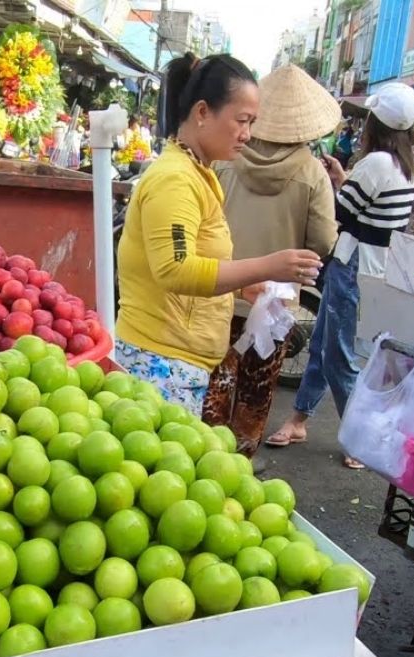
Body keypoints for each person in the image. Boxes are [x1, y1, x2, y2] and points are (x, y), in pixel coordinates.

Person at [115, 53, 324, 415]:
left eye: (252, 123)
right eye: (241, 121)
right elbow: (176, 270)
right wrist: (267, 266)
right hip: (160, 363)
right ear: (201, 112)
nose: (247, 135)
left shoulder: (199, 172)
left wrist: (242, 286)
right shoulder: (175, 180)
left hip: (178, 363)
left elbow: (196, 259)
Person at [266, 82, 414, 467]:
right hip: (373, 265)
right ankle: (299, 419)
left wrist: (328, 187)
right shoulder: (403, 166)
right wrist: (343, 179)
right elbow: (366, 206)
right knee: (322, 343)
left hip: (351, 265)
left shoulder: (377, 164)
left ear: (375, 125)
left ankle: (360, 438)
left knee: (339, 355)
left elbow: (339, 217)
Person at [203, 64, 340, 460]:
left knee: (217, 383)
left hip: (223, 286)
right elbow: (323, 241)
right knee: (256, 391)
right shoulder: (312, 173)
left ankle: (203, 461)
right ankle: (239, 464)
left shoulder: (226, 159)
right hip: (276, 300)